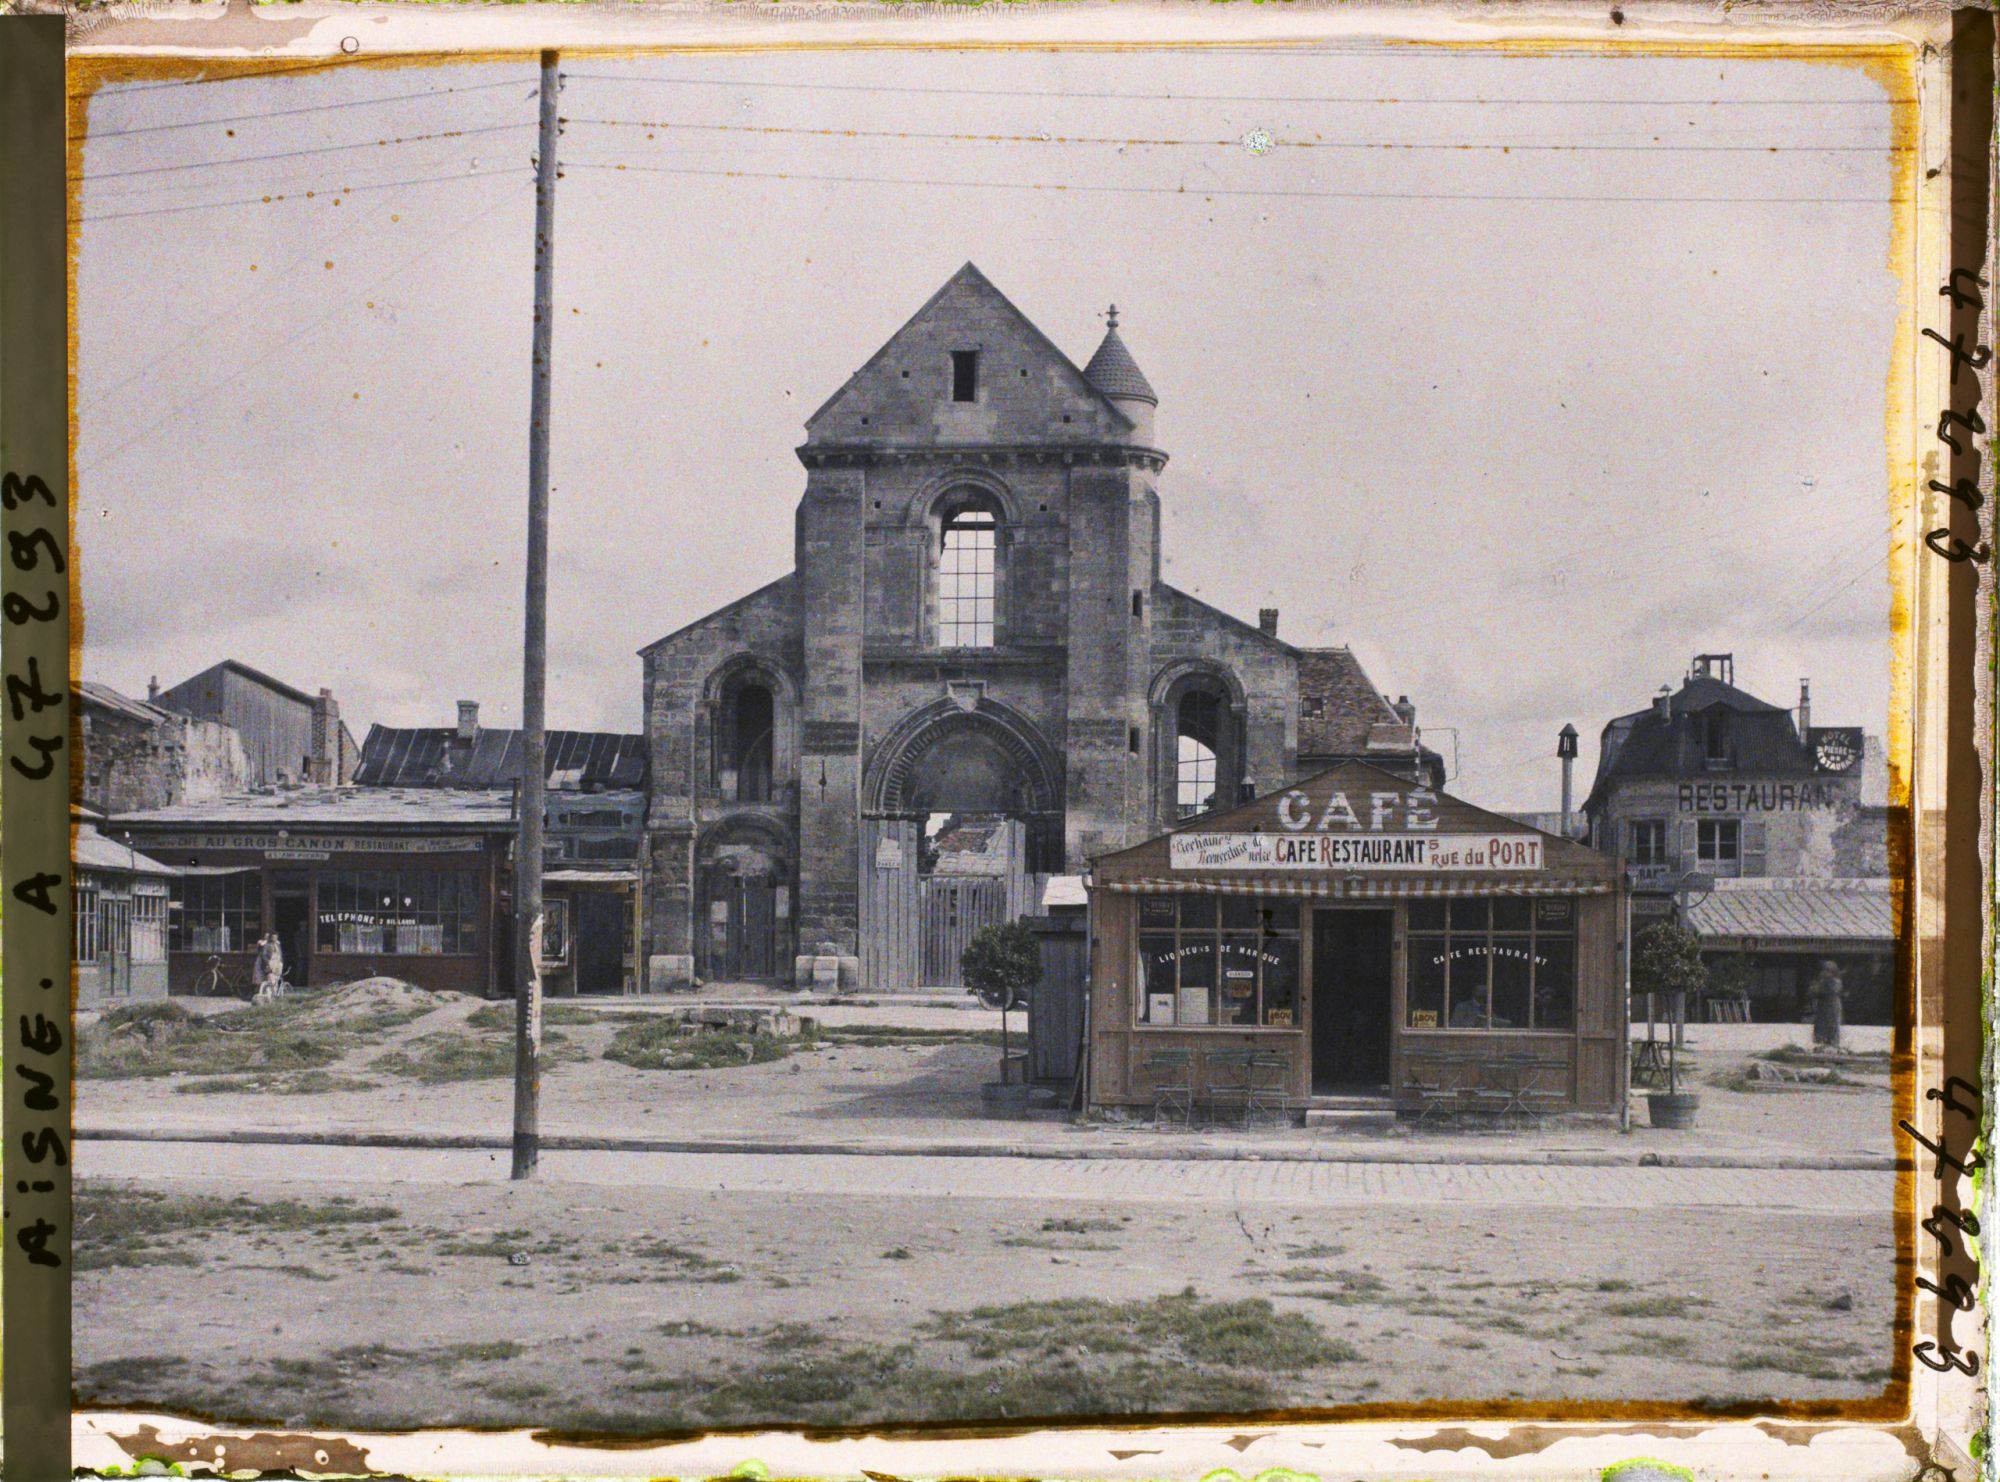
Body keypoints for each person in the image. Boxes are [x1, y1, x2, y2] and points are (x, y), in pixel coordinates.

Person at [1806, 959, 1845, 1050]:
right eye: (1824, 970)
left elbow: (1833, 990)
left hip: (1832, 1006)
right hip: (1822, 1006)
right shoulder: (1820, 981)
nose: (1825, 972)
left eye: (1828, 970)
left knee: (1832, 1025)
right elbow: (1812, 992)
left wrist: (1823, 985)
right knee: (1822, 1025)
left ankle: (1832, 1043)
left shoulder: (1836, 982)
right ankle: (1822, 1043)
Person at [253, 932, 286, 1003]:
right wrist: (268, 963)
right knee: (271, 981)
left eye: (275, 937)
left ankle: (274, 995)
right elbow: (264, 955)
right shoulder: (267, 945)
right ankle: (269, 997)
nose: (274, 939)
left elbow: (280, 955)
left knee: (276, 980)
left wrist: (281, 962)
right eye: (273, 937)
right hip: (270, 964)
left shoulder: (277, 945)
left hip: (277, 965)